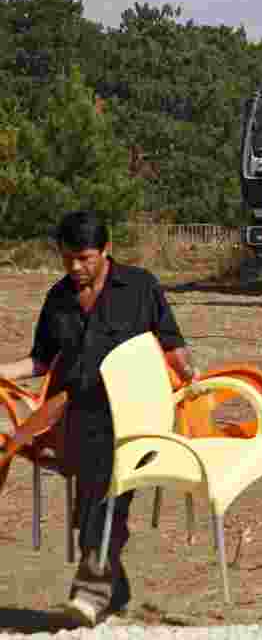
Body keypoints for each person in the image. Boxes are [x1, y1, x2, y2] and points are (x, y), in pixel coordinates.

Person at [0, 211, 197, 627]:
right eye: (67, 258)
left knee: (110, 502)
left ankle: (90, 592)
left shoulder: (141, 287)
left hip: (135, 418)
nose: (74, 268)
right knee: (90, 508)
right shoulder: (58, 298)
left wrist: (190, 379)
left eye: (84, 258)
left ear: (107, 251)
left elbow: (171, 341)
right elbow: (40, 360)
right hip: (79, 418)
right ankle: (116, 586)